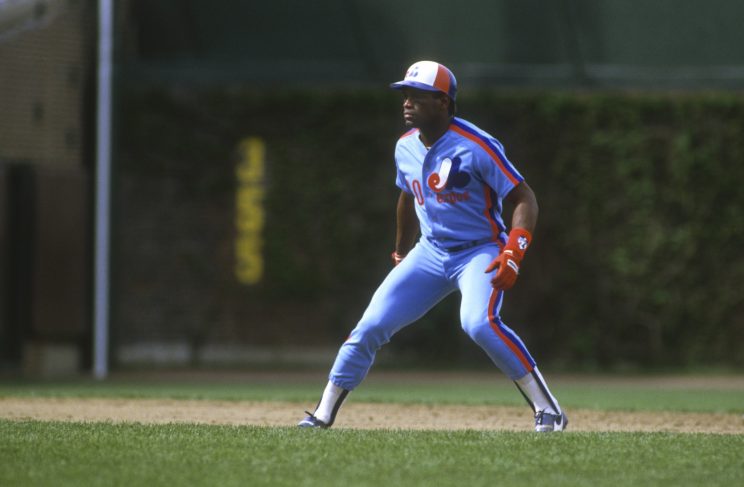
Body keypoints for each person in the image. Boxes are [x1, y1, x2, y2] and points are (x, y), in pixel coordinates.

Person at [298, 60, 566, 432]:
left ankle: (548, 409)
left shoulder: (477, 145)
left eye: (418, 97)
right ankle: (322, 413)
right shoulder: (405, 147)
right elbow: (408, 197)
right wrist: (401, 252)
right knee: (370, 324)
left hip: (480, 250)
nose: (407, 103)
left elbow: (524, 197)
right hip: (431, 251)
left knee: (479, 323)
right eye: (405, 95)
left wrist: (514, 251)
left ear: (443, 103)